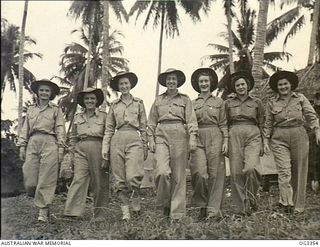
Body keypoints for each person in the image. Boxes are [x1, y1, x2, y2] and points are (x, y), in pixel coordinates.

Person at [263, 71, 320, 214]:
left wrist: (317, 131)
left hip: (299, 135)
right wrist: (265, 140)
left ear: (290, 85)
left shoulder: (300, 98)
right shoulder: (272, 102)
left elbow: (311, 116)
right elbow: (268, 123)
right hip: (279, 137)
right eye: (280, 84)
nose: (283, 87)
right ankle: (286, 203)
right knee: (284, 171)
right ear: (277, 87)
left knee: (299, 171)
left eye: (285, 84)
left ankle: (298, 207)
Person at [147, 68, 198, 220]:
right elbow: (151, 122)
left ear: (178, 82)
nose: (171, 82)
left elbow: (191, 120)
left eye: (174, 79)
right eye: (168, 79)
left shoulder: (185, 99)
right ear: (165, 82)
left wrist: (193, 138)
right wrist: (150, 139)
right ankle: (165, 204)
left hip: (180, 134)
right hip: (161, 133)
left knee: (179, 175)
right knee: (162, 172)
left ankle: (177, 213)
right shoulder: (158, 100)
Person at [18, 79, 66, 222]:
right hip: (33, 142)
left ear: (51, 94)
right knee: (30, 181)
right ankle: (42, 201)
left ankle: (43, 212)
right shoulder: (31, 109)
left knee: (47, 178)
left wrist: (61, 148)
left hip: (50, 142)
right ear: (37, 92)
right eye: (42, 90)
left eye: (47, 91)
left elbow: (60, 128)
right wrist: (22, 145)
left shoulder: (56, 110)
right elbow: (25, 128)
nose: (44, 93)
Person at [102, 71, 148, 220]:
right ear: (118, 87)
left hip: (134, 138)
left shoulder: (139, 103)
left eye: (126, 83)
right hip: (118, 139)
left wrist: (145, 145)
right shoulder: (114, 105)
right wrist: (105, 147)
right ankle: (125, 212)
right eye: (121, 84)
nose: (124, 86)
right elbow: (109, 128)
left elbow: (143, 126)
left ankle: (136, 204)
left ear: (130, 85)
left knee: (133, 176)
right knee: (120, 178)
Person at [64, 87, 109, 221]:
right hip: (80, 148)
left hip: (98, 147)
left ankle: (100, 214)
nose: (90, 101)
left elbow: (108, 134)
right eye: (87, 99)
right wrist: (72, 153)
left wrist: (106, 154)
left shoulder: (104, 116)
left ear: (97, 101)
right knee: (79, 178)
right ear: (83, 101)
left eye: (92, 99)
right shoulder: (78, 117)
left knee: (99, 182)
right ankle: (72, 212)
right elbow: (73, 136)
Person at [189, 68, 228, 219]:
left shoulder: (219, 102)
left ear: (211, 83)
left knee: (216, 174)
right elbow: (190, 123)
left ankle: (213, 210)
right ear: (197, 84)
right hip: (198, 136)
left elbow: (223, 123)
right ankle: (202, 205)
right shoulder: (192, 103)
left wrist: (225, 140)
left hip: (215, 136)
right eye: (201, 82)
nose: (204, 84)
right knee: (199, 173)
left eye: (206, 81)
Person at [225, 71, 264, 215]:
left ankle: (252, 198)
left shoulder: (256, 102)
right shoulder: (228, 103)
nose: (240, 87)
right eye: (237, 85)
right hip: (234, 135)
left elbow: (262, 122)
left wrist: (263, 142)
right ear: (234, 88)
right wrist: (226, 140)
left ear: (247, 86)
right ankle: (242, 207)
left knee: (251, 168)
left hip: (253, 135)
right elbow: (225, 123)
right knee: (236, 173)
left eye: (243, 84)